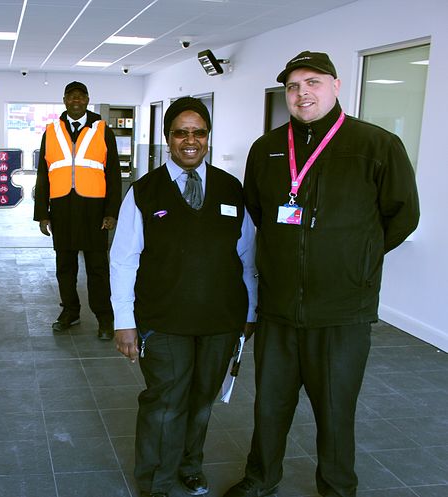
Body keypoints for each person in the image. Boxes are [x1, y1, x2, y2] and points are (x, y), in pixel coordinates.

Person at [223, 51, 420, 497]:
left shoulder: (377, 145)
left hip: (342, 309)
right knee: (270, 405)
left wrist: (356, 259)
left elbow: (402, 215)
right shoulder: (267, 148)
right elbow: (257, 210)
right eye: (293, 87)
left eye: (312, 82)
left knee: (335, 408)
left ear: (335, 84)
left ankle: (336, 486)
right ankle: (260, 478)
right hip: (278, 306)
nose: (302, 93)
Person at [110, 97, 258, 497]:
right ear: (167, 138)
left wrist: (251, 309)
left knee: (202, 400)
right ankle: (156, 481)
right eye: (181, 133)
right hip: (164, 319)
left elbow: (247, 257)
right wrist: (124, 321)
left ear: (207, 138)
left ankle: (190, 465)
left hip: (220, 320)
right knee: (165, 402)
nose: (190, 140)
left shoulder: (231, 189)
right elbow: (123, 260)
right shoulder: (144, 192)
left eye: (199, 132)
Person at [34, 81, 122, 340]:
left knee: (97, 268)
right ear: (64, 100)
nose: (75, 100)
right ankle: (70, 311)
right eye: (71, 96)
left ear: (87, 100)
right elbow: (43, 175)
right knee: (65, 266)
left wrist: (112, 211)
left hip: (94, 209)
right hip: (61, 208)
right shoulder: (51, 131)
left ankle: (105, 318)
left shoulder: (102, 129)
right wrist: (42, 213)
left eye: (80, 96)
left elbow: (113, 173)